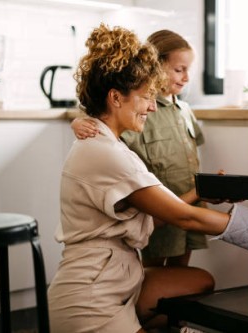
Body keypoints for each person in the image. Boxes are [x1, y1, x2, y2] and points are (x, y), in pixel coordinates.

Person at [48, 23, 248, 333]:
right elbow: (185, 219)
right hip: (91, 300)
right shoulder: (107, 154)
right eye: (145, 97)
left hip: (121, 278)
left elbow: (157, 214)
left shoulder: (109, 147)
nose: (152, 106)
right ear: (116, 98)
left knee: (199, 281)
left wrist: (198, 192)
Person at [71, 29, 216, 268]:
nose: (186, 78)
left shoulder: (185, 111)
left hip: (191, 202)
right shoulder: (136, 113)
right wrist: (78, 122)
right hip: (157, 214)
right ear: (155, 68)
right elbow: (100, 118)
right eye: (179, 70)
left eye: (189, 70)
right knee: (153, 271)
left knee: (181, 272)